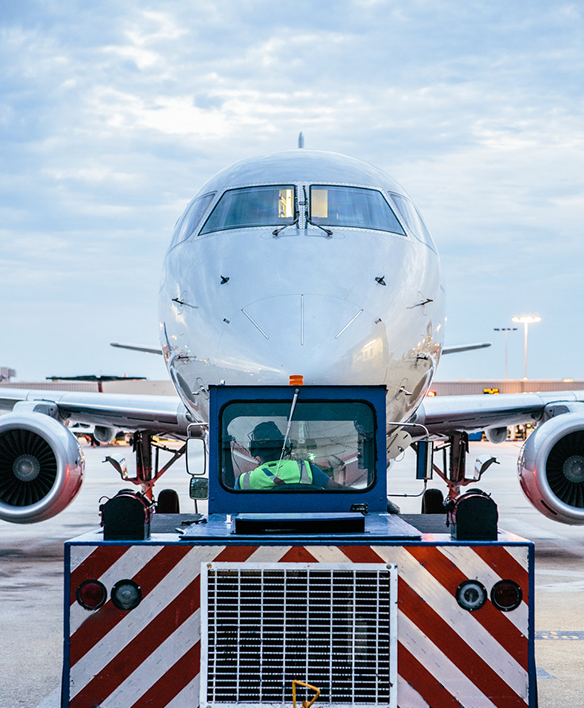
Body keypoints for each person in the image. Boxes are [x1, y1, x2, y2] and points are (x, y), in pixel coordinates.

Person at [235, 421, 345, 490]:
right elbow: (336, 488)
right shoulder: (306, 468)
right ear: (284, 446)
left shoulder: (244, 481)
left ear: (254, 450)